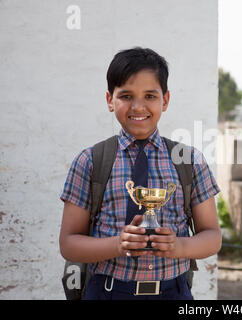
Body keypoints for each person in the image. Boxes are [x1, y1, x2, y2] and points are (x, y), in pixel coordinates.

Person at [59, 47, 222, 300]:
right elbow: (69, 243)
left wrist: (179, 246)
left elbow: (212, 237)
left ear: (165, 100)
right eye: (125, 95)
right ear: (109, 101)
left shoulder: (189, 161)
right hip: (108, 292)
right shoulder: (91, 161)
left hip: (173, 292)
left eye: (149, 96)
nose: (138, 107)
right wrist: (117, 244)